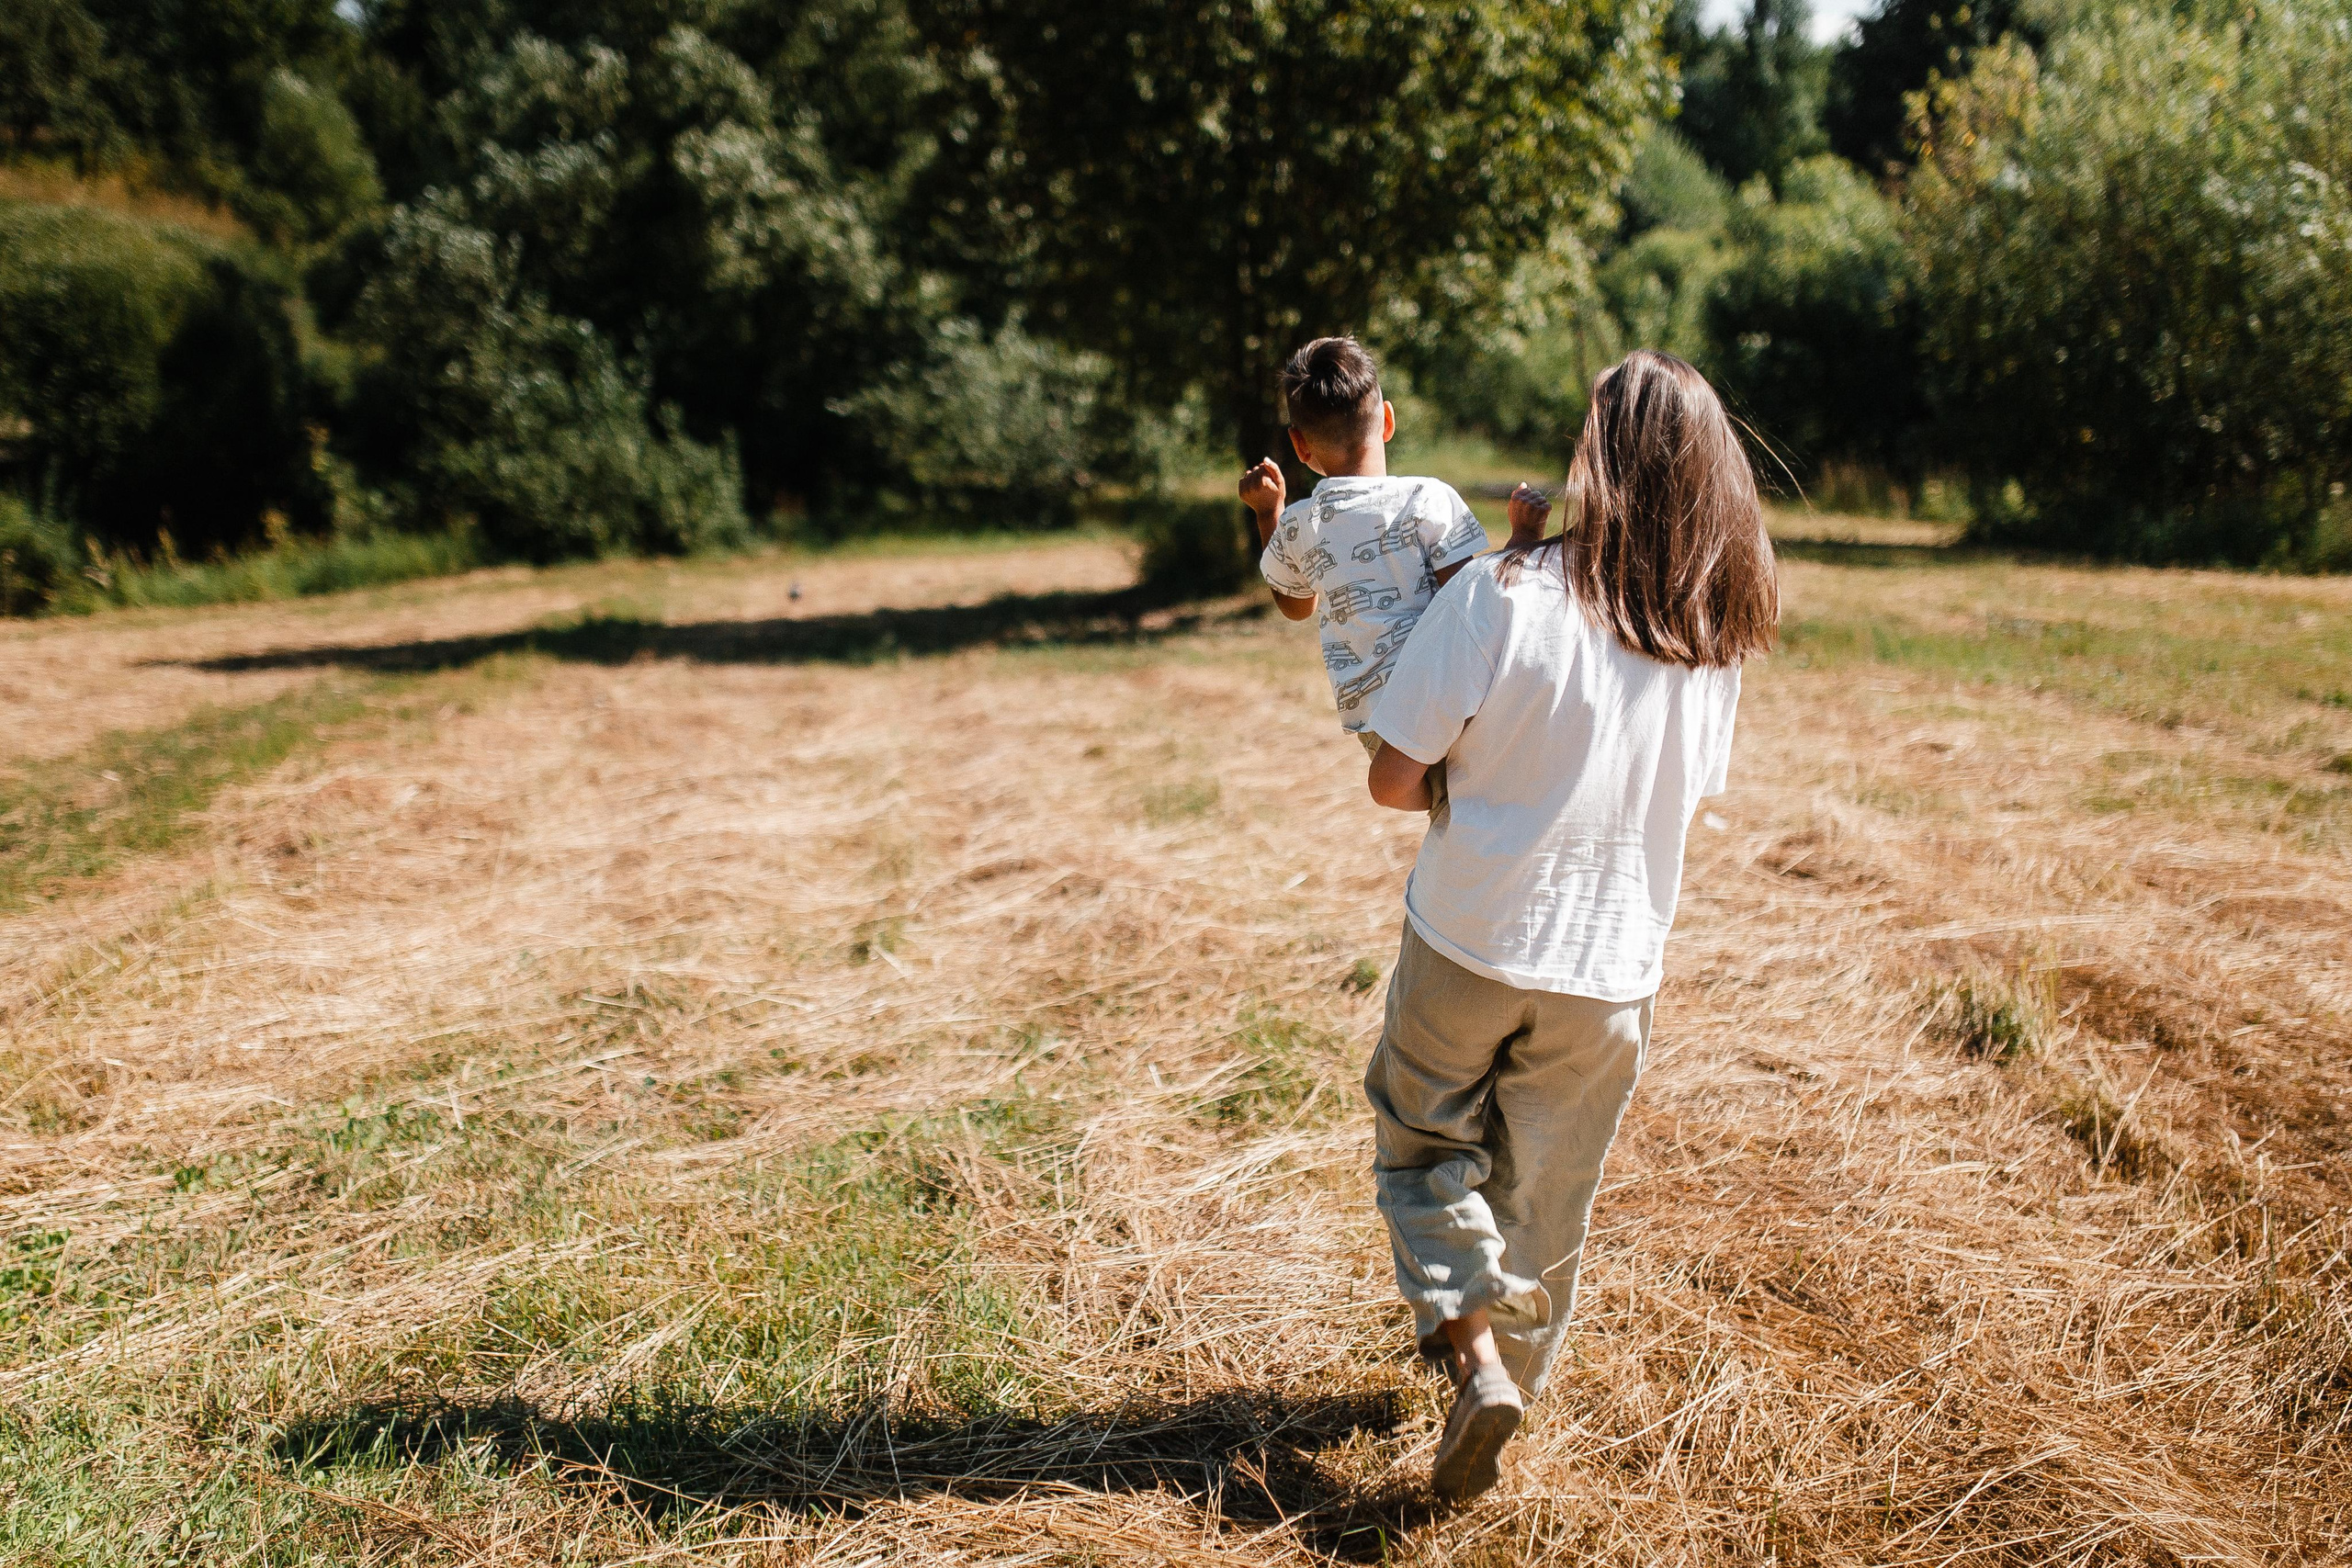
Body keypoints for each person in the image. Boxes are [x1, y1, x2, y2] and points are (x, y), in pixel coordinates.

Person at [1357, 350, 1780, 1501]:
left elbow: (1395, 782)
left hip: (1470, 937)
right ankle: (1506, 1391)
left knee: (1423, 1141)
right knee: (1547, 1192)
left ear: (1596, 457)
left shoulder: (1501, 594)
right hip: (1610, 971)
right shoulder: (1712, 639)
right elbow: (1682, 797)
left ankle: (1474, 1356)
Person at [1239, 337, 1551, 791]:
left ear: (1300, 446)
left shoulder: (1299, 523)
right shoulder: (1429, 499)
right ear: (1387, 420)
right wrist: (1523, 538)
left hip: (1377, 722)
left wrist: (1269, 513)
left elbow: (1295, 606)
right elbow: (1468, 602)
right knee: (1478, 795)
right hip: (1446, 700)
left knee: (1434, 801)